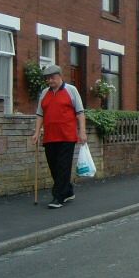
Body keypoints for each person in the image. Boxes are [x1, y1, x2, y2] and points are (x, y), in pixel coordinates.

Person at [31, 65, 87, 209]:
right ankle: (67, 191)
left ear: (60, 76)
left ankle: (58, 197)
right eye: (47, 79)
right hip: (50, 136)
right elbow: (40, 114)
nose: (50, 81)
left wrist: (82, 131)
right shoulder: (44, 93)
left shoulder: (71, 90)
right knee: (54, 166)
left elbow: (80, 112)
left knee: (63, 166)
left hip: (67, 136)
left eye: (52, 78)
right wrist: (37, 132)